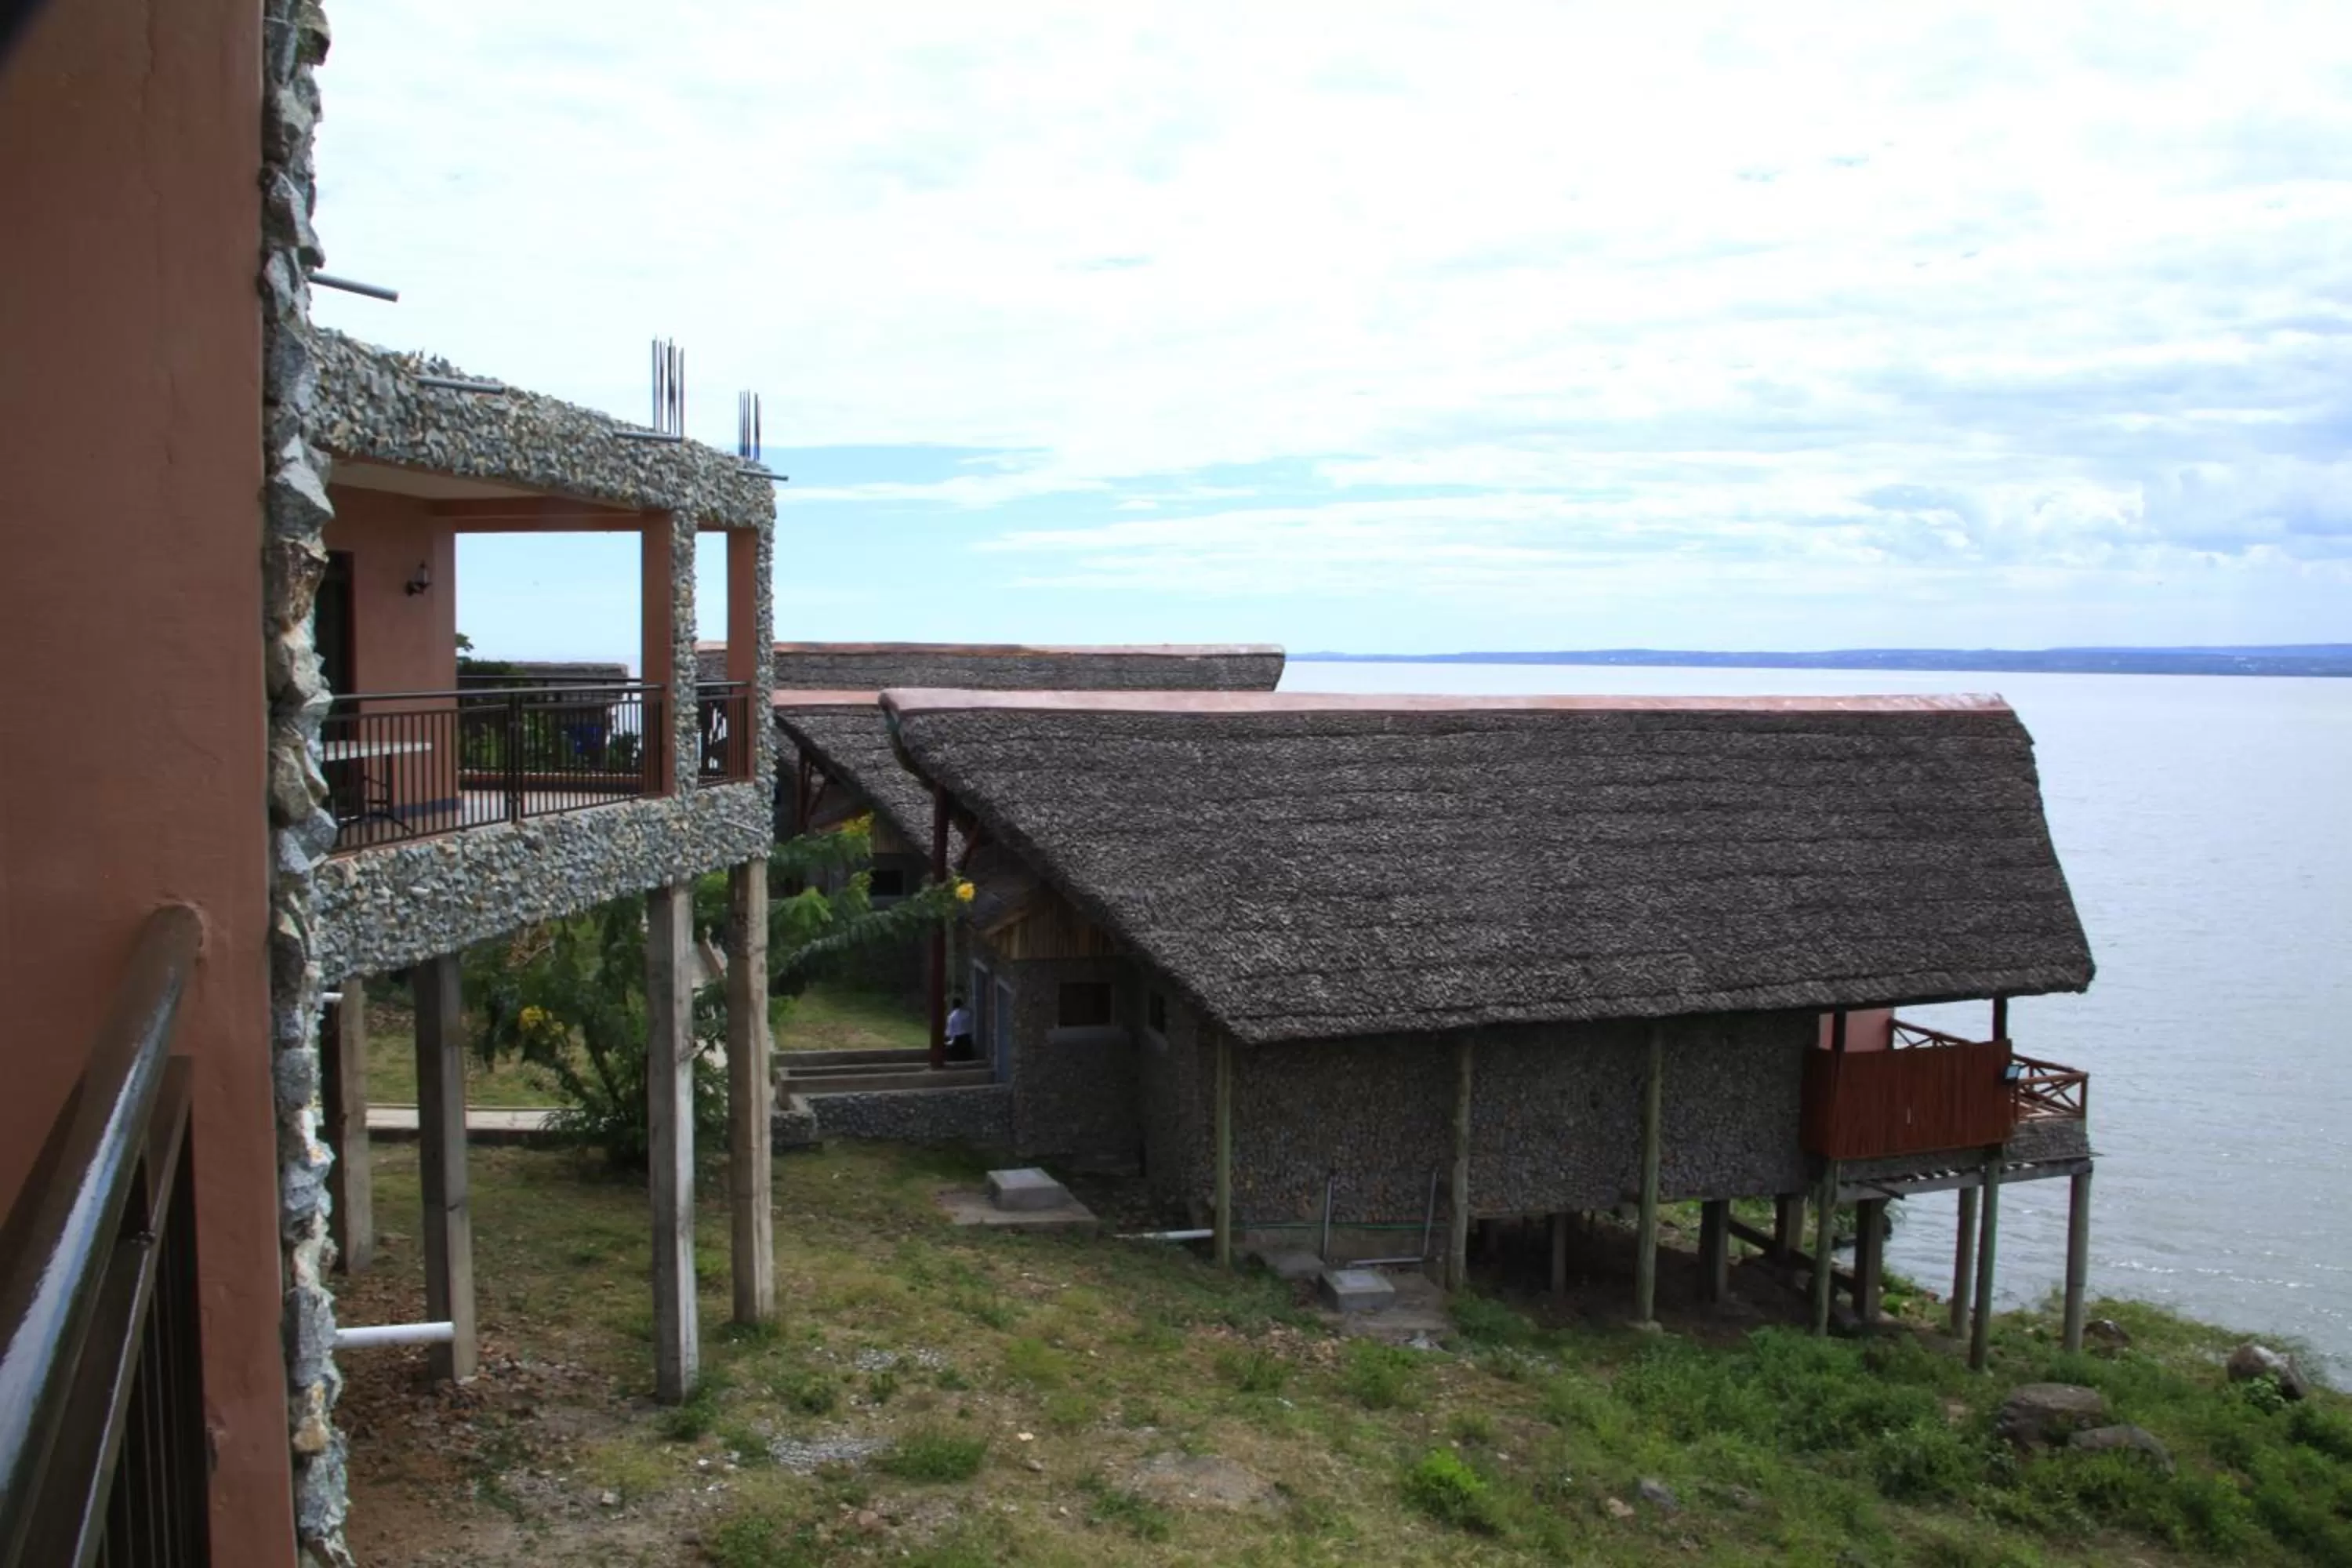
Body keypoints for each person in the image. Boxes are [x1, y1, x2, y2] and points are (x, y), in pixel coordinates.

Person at [946, 994, 976, 1062]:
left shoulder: (952, 1016)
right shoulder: (968, 1013)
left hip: (958, 1040)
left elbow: (949, 1033)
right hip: (968, 1039)